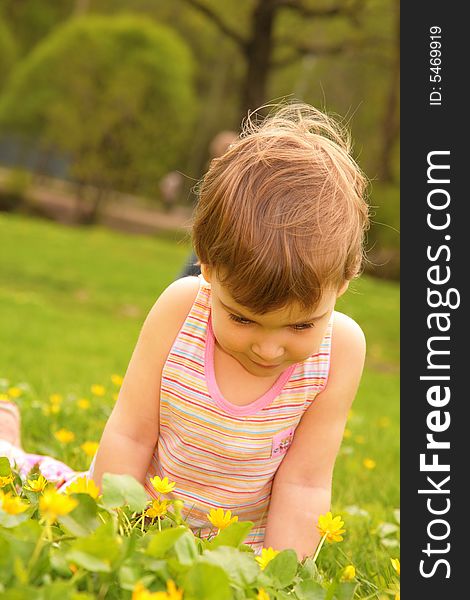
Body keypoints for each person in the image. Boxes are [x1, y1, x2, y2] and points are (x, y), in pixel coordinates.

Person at [0, 102, 369, 560]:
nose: (270, 348)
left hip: (239, 553)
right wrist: (109, 538)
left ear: (345, 279)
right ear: (207, 266)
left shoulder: (341, 350)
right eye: (242, 318)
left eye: (300, 324)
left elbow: (304, 482)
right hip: (141, 517)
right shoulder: (181, 309)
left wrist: (276, 581)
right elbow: (131, 435)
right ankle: (8, 442)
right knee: (40, 484)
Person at [179, 129, 239, 278]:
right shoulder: (215, 175)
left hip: (222, 238)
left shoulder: (237, 178)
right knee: (195, 267)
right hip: (211, 234)